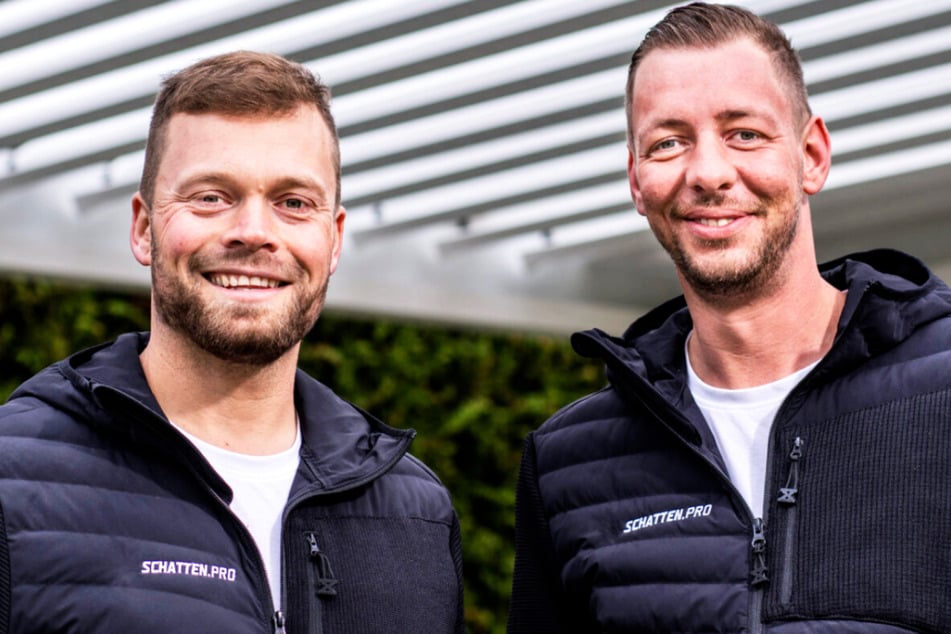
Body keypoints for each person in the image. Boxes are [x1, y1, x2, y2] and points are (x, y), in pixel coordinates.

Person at [508, 3, 951, 632]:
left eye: (744, 133)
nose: (709, 174)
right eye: (668, 143)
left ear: (812, 156)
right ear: (636, 180)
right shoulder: (566, 463)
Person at [0, 51, 463, 633]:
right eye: (211, 196)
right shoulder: (14, 479)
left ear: (335, 238)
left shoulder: (415, 511)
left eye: (293, 203)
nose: (254, 232)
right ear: (144, 228)